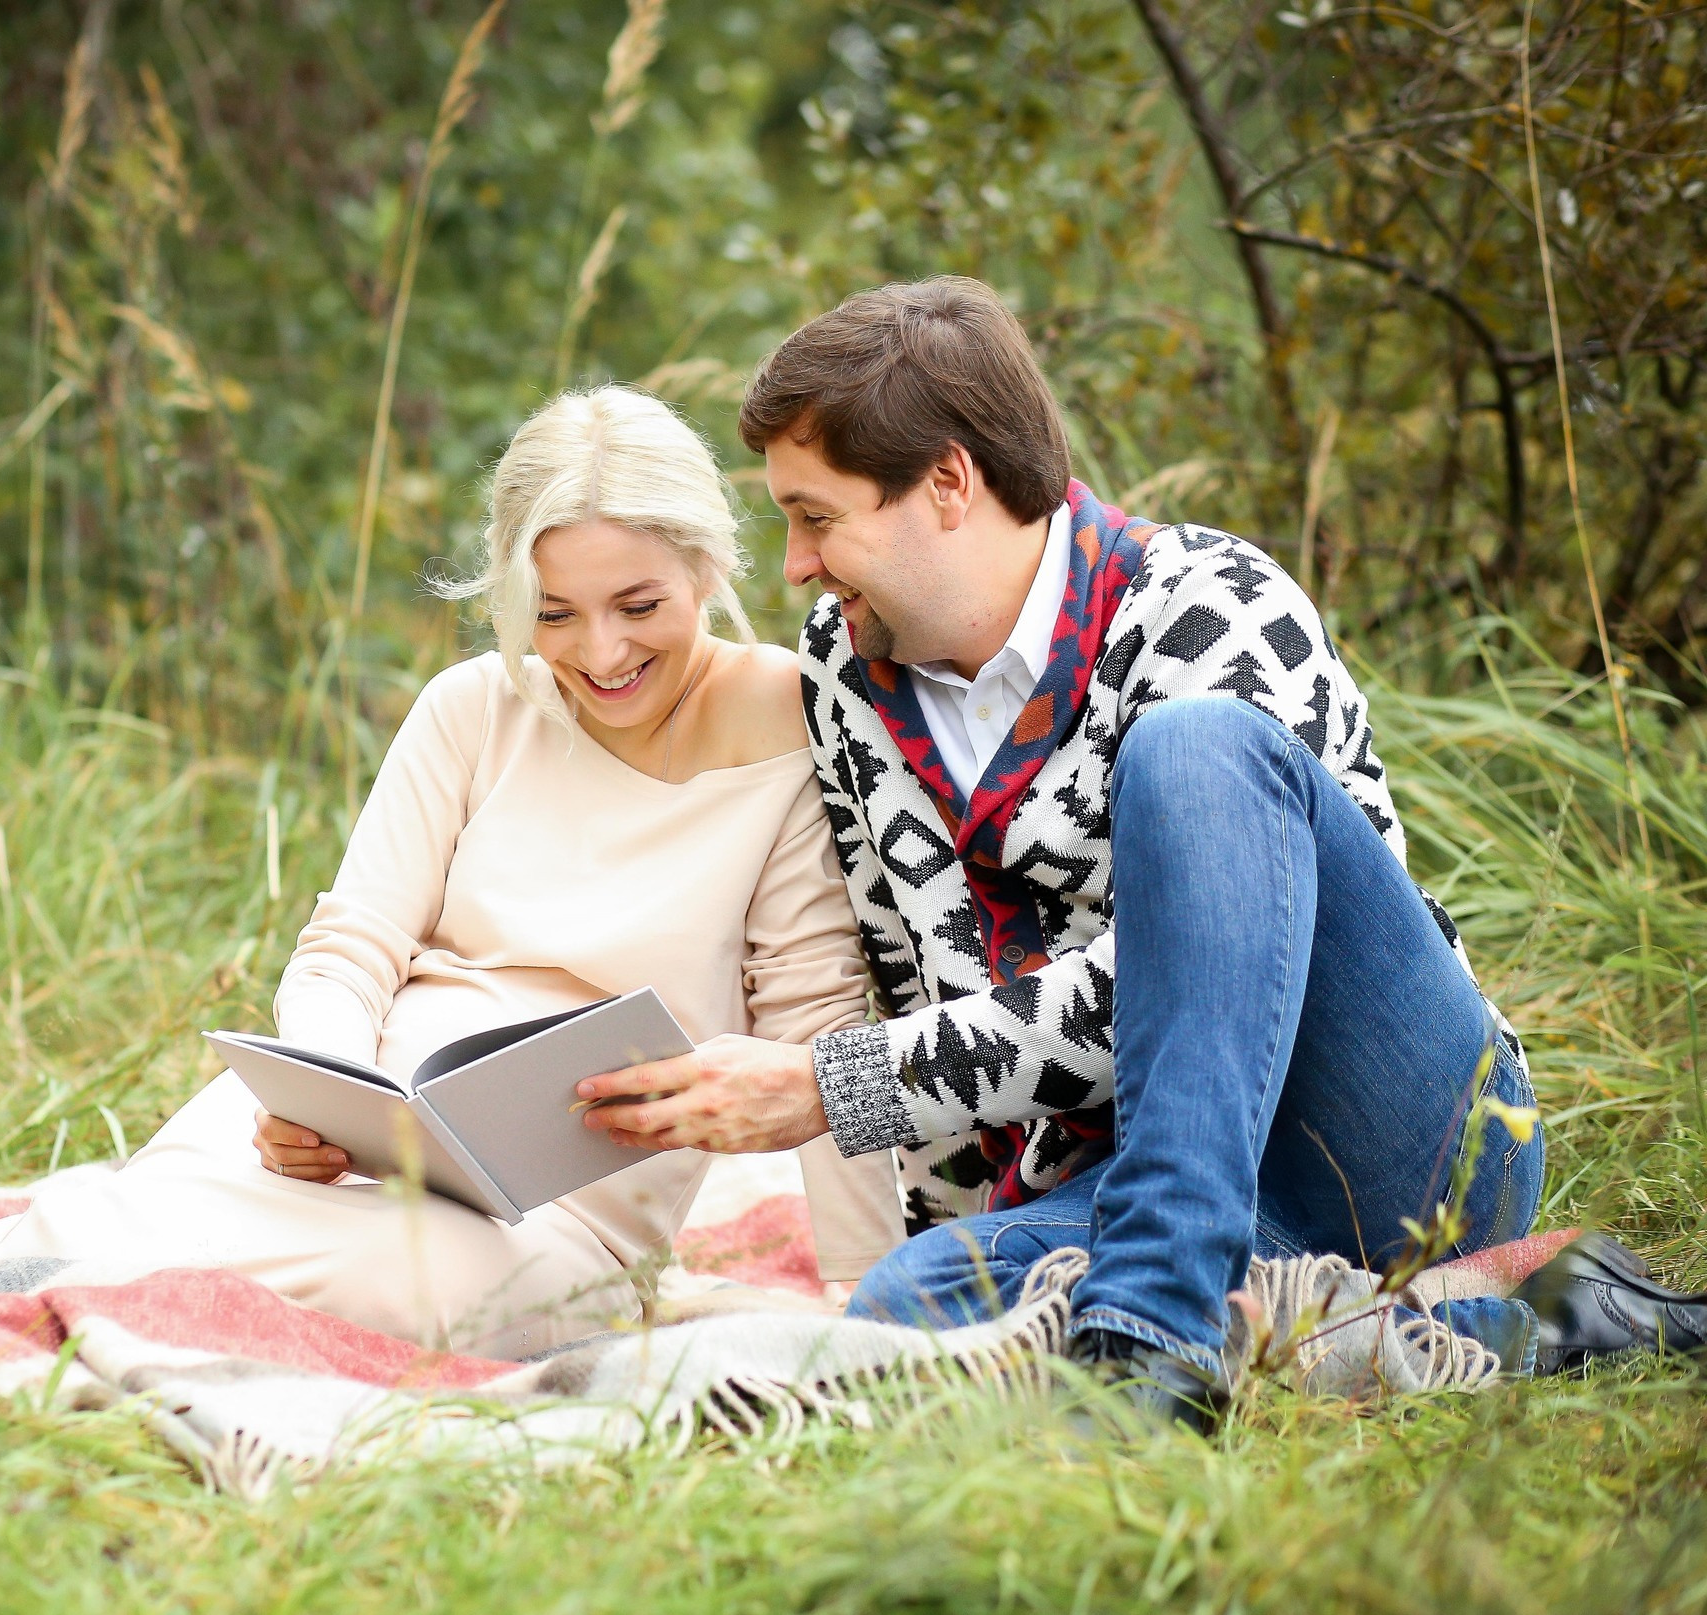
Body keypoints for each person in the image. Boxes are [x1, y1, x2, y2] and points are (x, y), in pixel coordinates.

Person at [575, 275, 1707, 1423]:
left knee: (1198, 749)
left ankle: (1153, 1326)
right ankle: (1531, 1324)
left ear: (948, 484)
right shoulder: (844, 668)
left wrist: (834, 1087)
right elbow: (912, 972)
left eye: (817, 517)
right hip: (1131, 1181)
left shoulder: (1208, 602)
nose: (797, 565)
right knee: (913, 1312)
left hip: (1386, 1131)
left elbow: (1210, 975)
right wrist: (960, 1240)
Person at [0, 386, 901, 1359]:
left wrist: (863, 1284)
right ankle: (83, 1270)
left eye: (639, 606)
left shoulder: (790, 714)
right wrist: (316, 1094)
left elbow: (812, 1022)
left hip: (558, 1214)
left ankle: (84, 1289)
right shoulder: (475, 705)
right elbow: (350, 944)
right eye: (554, 613)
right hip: (376, 1115)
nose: (601, 652)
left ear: (707, 565)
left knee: (386, 1282)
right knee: (135, 1208)